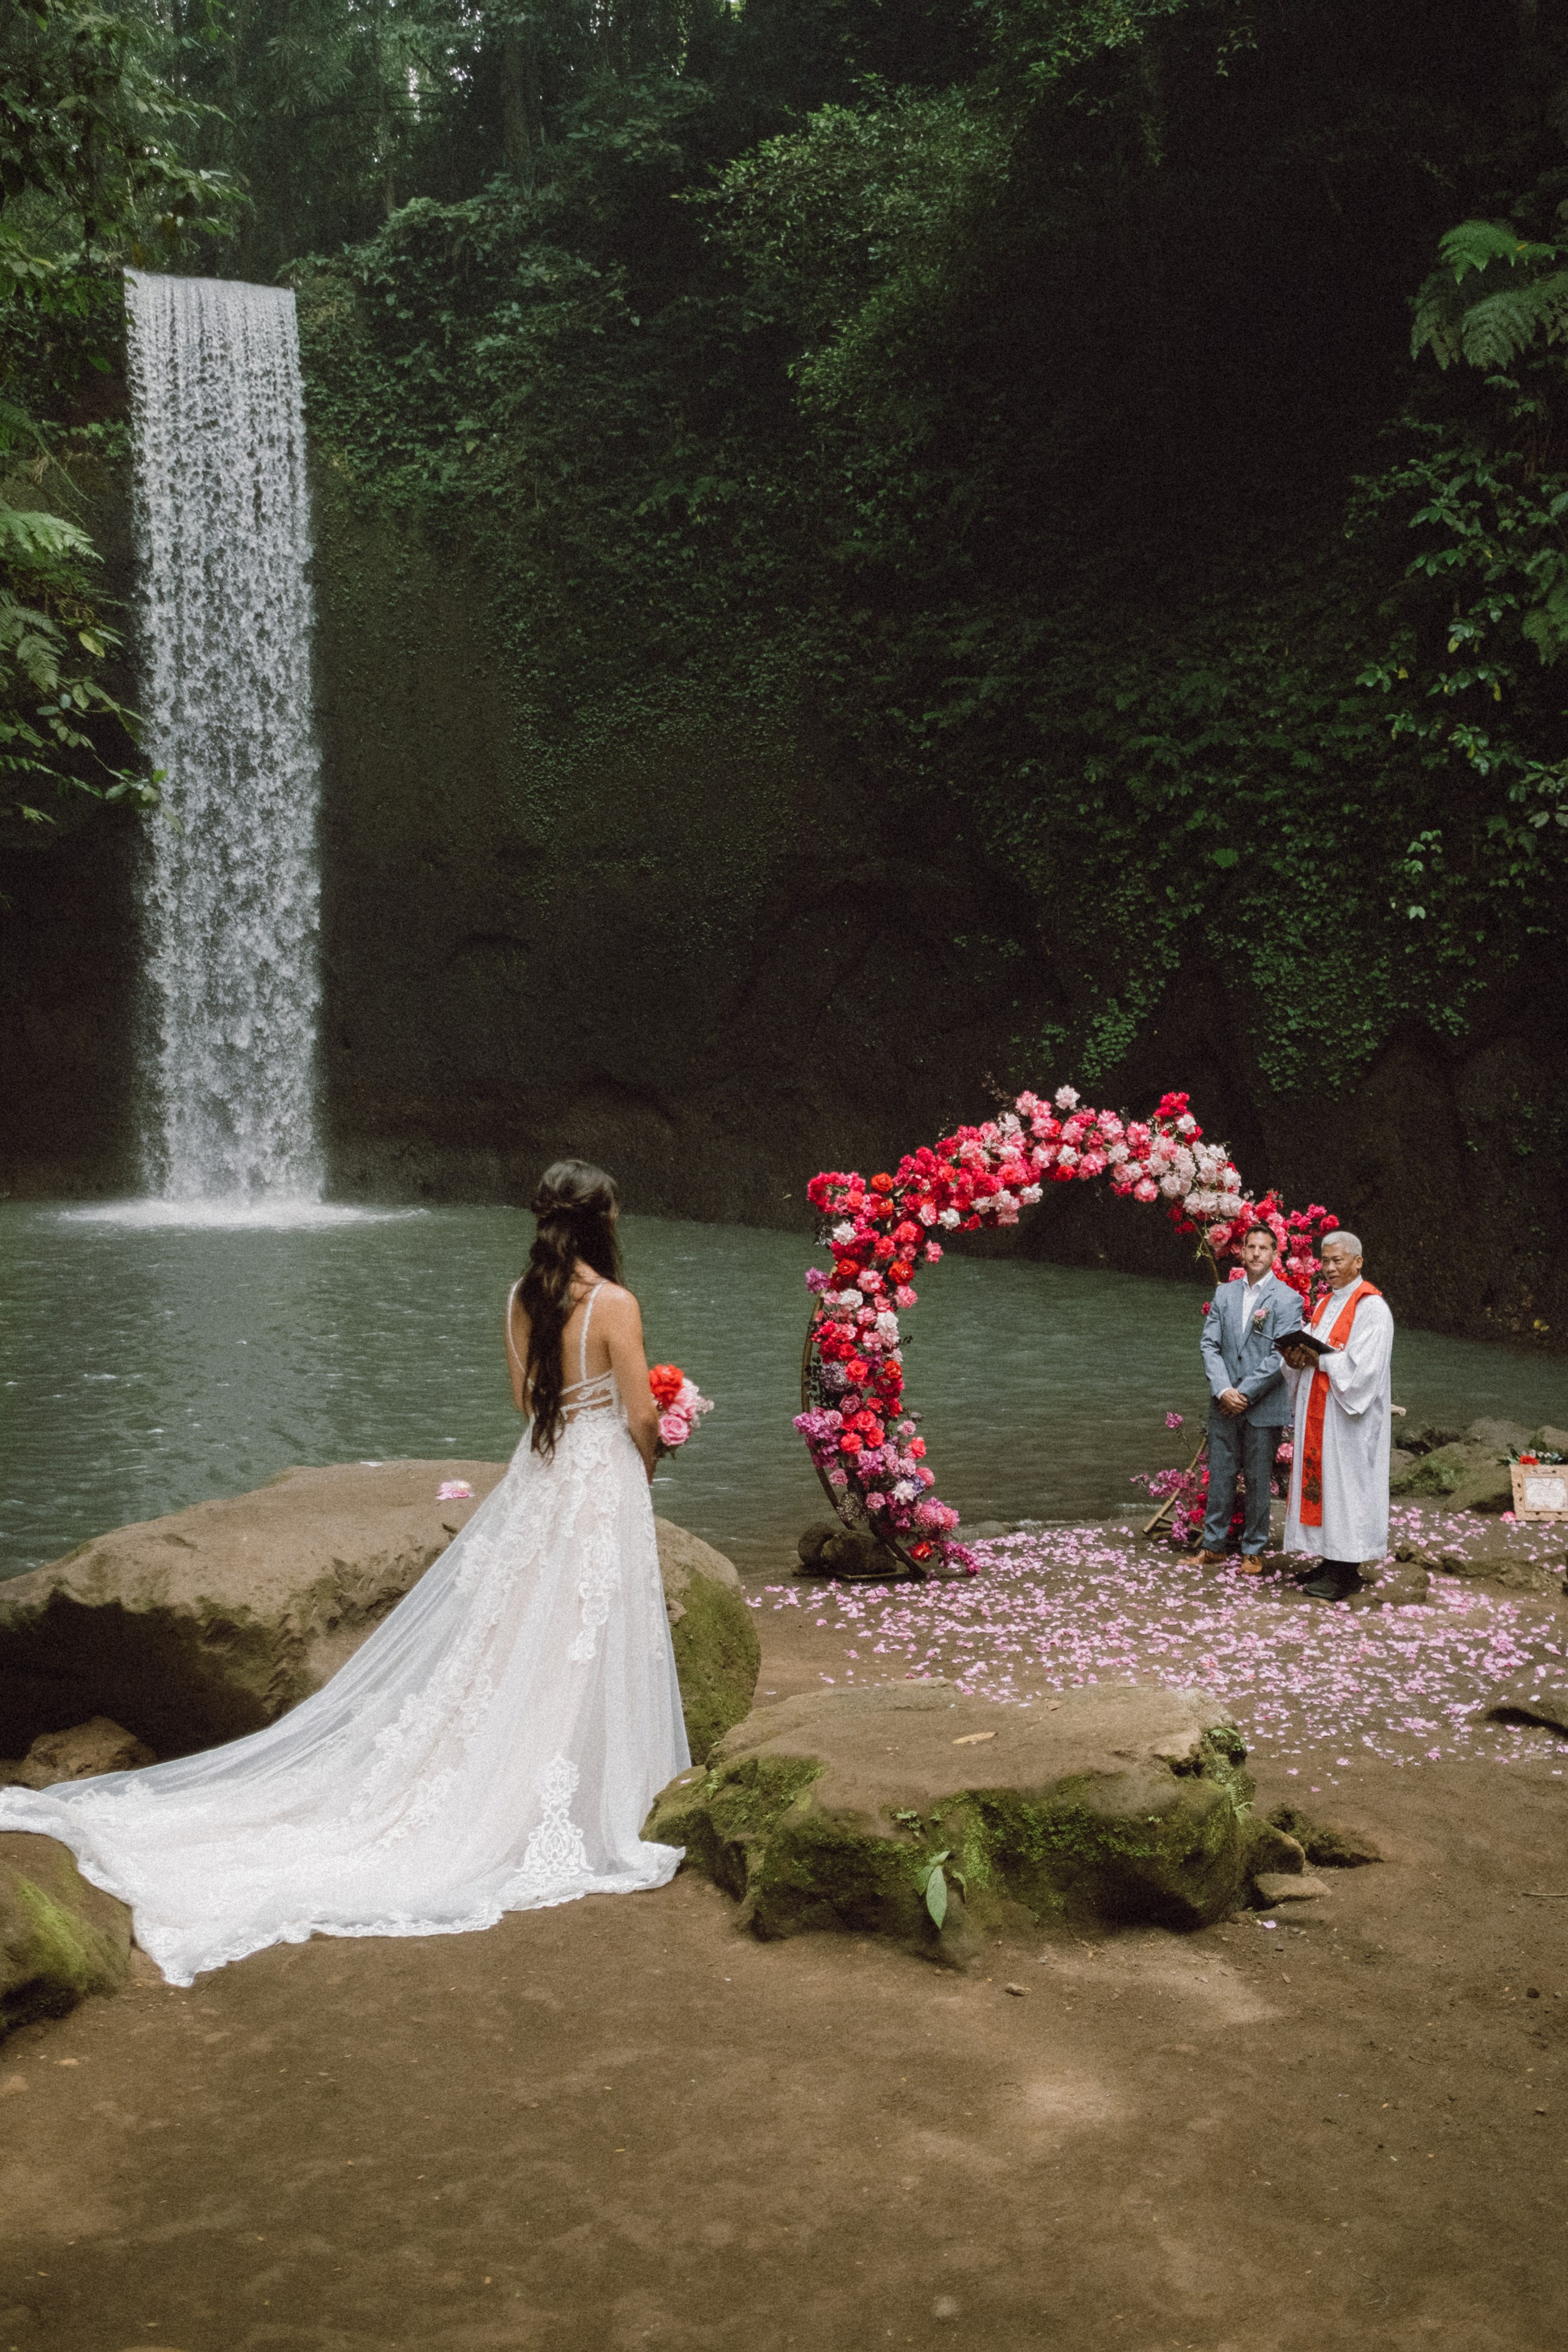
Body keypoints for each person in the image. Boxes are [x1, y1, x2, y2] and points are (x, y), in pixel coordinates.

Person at [0, 1160, 690, 1985]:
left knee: (524, 1637)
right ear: (602, 1221)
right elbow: (639, 1413)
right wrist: (653, 1452)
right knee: (584, 1634)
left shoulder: (519, 1300)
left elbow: (524, 1401)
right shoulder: (614, 1305)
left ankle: (523, 1785)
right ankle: (585, 1800)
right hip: (598, 1478)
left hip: (543, 1478)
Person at [1178, 1224, 1303, 1572]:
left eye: (1264, 1248)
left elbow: (1281, 1354)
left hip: (1262, 1403)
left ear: (1275, 1254)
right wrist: (1223, 1390)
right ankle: (1214, 1545)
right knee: (1220, 1474)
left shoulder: (1288, 1299)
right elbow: (1210, 1345)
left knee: (1258, 1477)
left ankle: (1253, 1549)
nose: (1256, 1254)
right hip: (1223, 1402)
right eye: (1251, 1247)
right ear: (1242, 1251)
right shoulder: (1224, 1294)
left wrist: (1244, 1393)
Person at [1279, 1230, 1395, 1601]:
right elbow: (1313, 1350)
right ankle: (1331, 1561)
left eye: (1337, 1261)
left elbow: (1366, 1371)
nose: (1328, 1268)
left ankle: (1347, 1570)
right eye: (1324, 1261)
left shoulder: (1372, 1308)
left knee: (1348, 1488)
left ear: (1358, 1262)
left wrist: (1320, 1358)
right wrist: (1293, 1358)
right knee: (1326, 1485)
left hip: (1349, 1419)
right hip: (1321, 1410)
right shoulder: (1326, 1304)